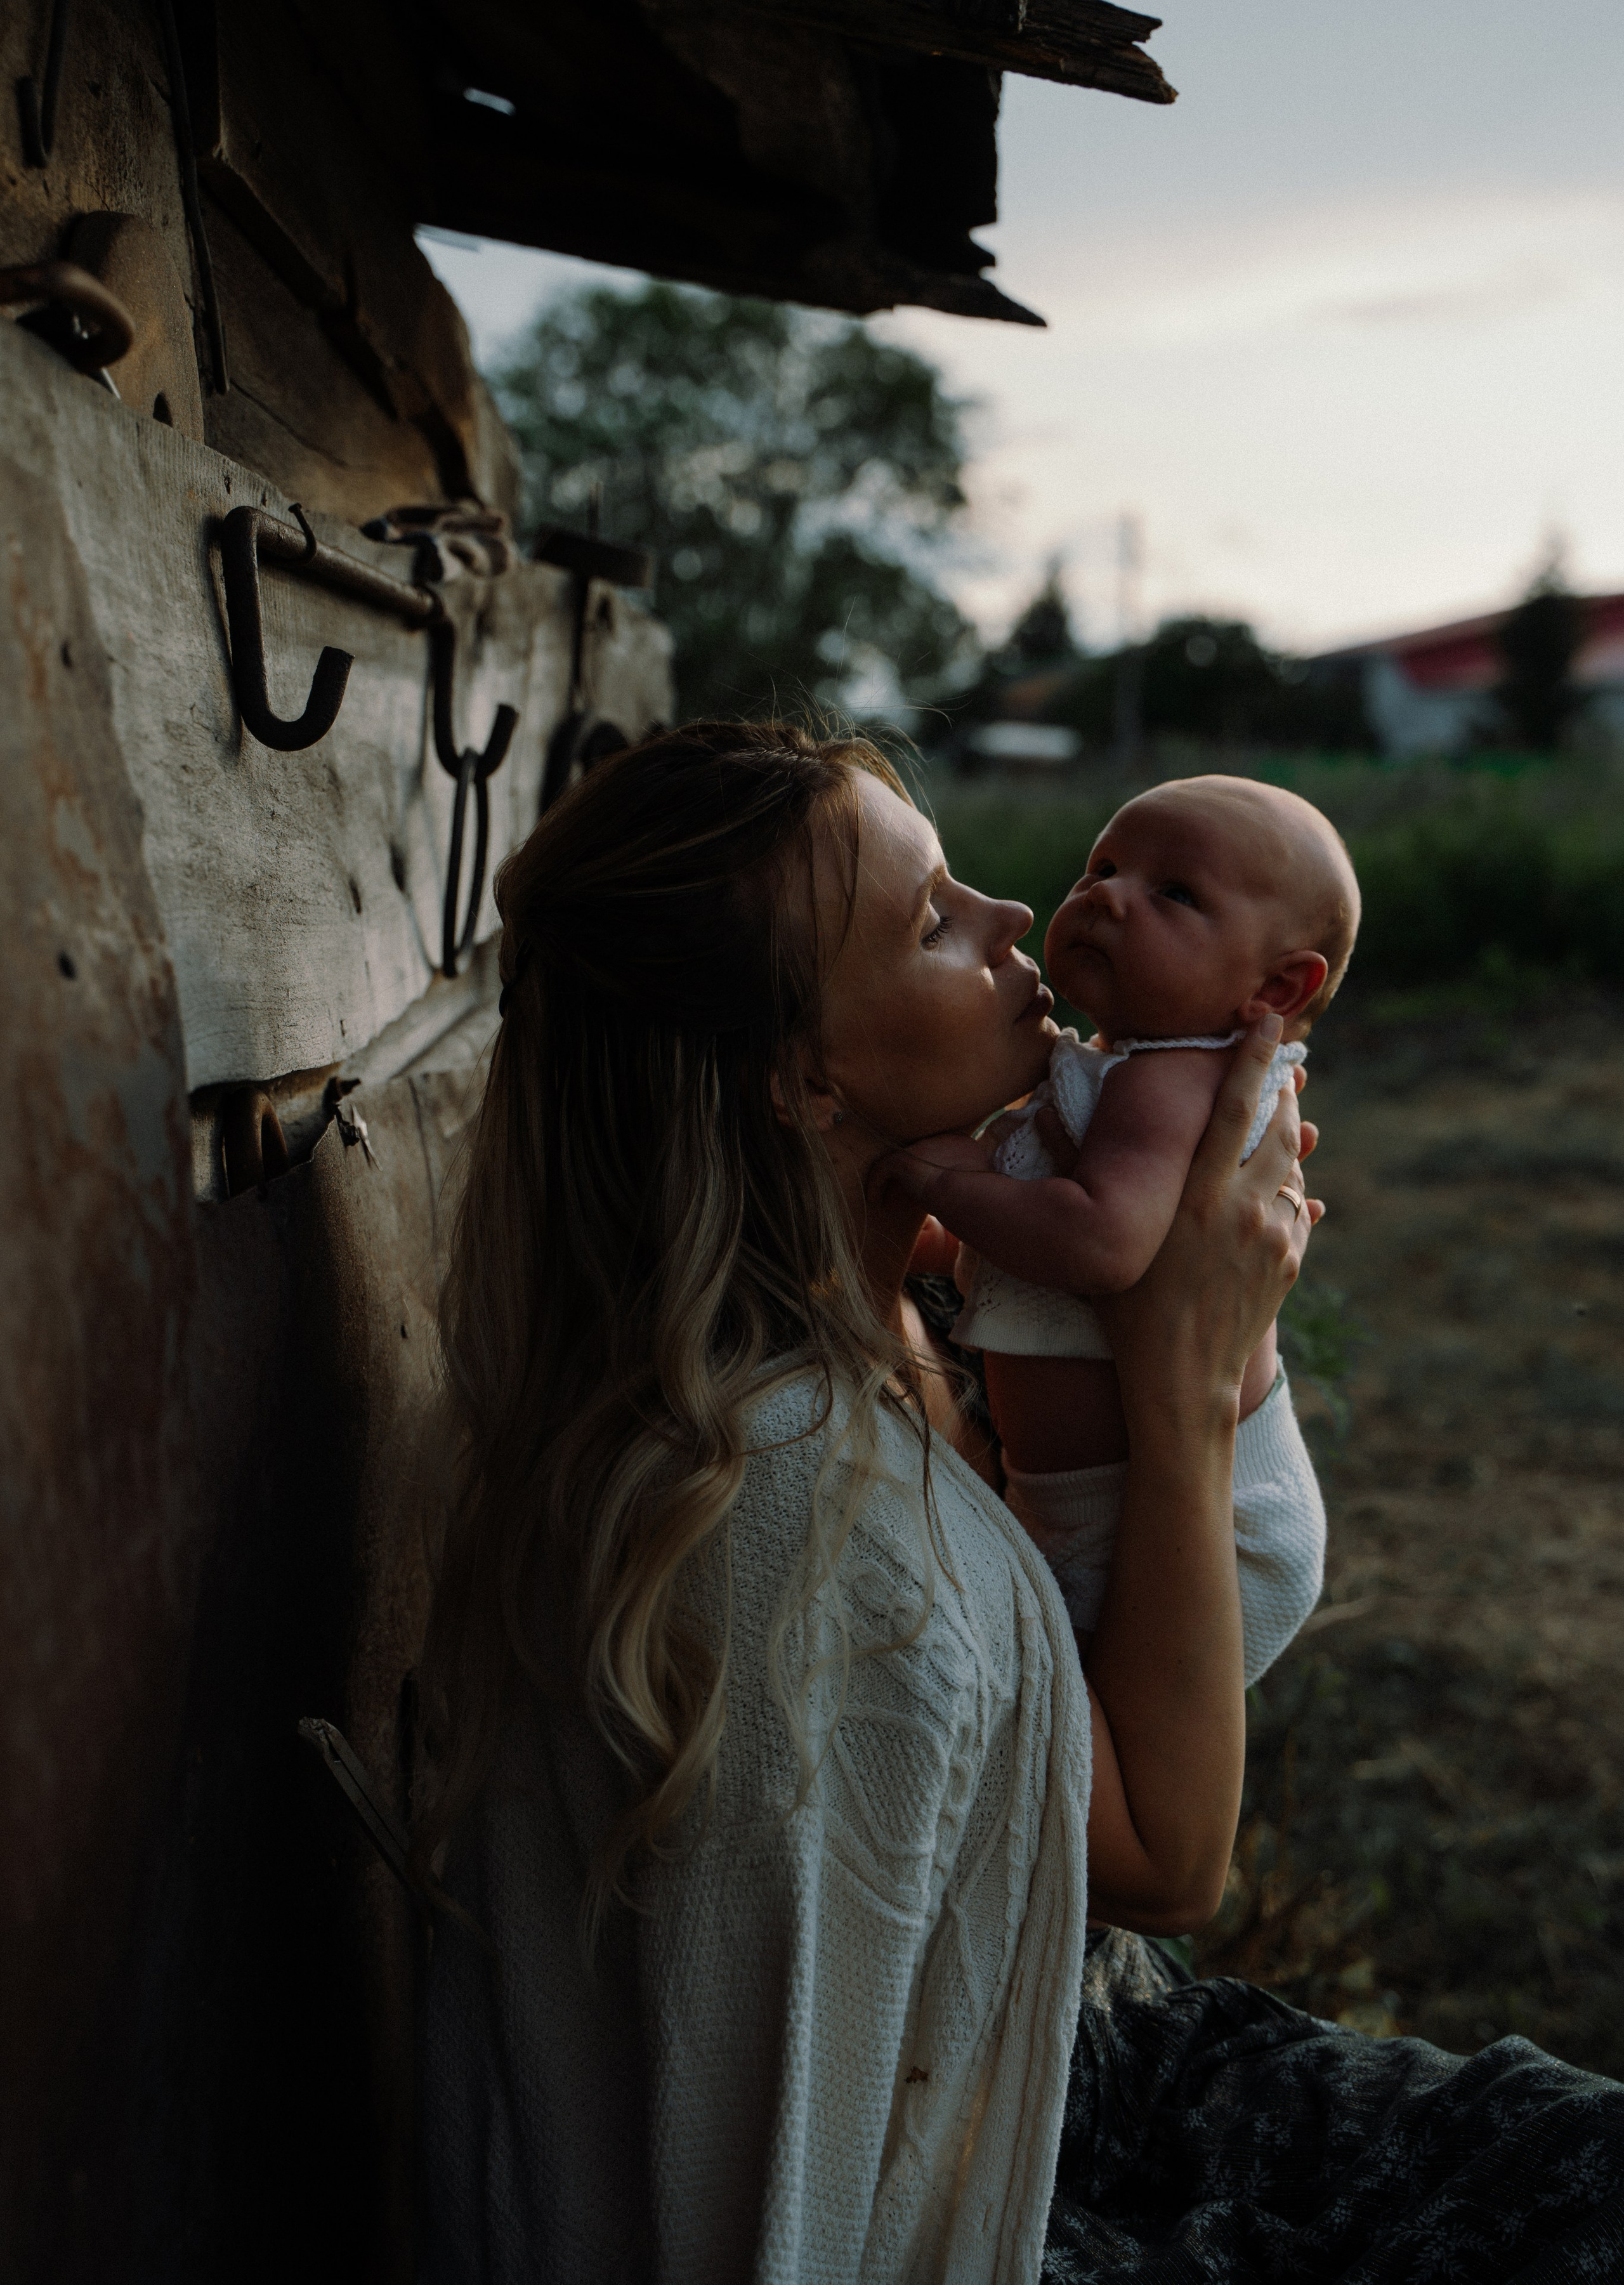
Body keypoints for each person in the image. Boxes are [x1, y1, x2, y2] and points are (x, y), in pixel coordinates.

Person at [416, 722, 1624, 2285]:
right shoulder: (791, 1527)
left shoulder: (885, 1304)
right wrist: (1186, 1386)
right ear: (801, 1076)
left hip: (1093, 2039)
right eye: (928, 922)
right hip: (1017, 2151)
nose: (1013, 918)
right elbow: (1171, 1865)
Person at [886, 775, 1359, 1642]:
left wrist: (947, 1186)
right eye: (1101, 867)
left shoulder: (1173, 1084)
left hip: (1201, 1522)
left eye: (1174, 893)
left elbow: (1102, 1245)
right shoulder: (1123, 1070)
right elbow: (1035, 1246)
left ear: (1280, 990)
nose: (1106, 894)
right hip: (1115, 1505)